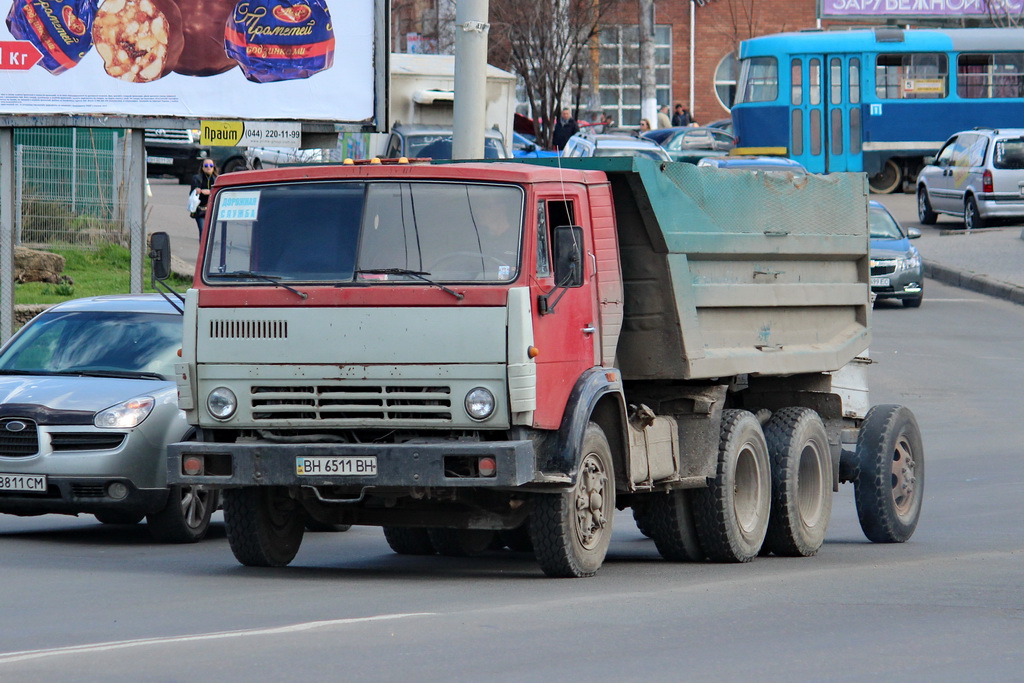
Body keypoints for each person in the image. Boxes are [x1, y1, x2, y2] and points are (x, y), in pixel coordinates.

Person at [190, 160, 218, 235]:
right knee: (203, 232)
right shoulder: (197, 178)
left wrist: (208, 192)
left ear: (214, 167)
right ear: (202, 168)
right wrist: (197, 190)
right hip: (201, 209)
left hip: (213, 209)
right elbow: (192, 193)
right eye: (206, 166)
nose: (208, 167)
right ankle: (202, 246)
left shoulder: (217, 179)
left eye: (211, 166)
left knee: (212, 232)